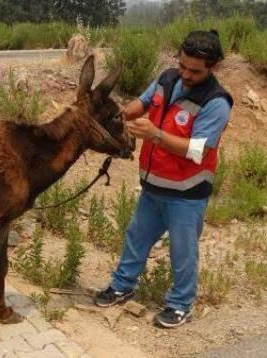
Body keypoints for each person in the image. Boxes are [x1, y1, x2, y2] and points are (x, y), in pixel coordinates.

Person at [95, 30, 234, 328]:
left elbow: (198, 150)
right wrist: (118, 116)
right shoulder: (167, 78)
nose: (185, 74)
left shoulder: (216, 102)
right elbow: (142, 104)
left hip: (187, 194)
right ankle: (122, 285)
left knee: (183, 252)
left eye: (194, 71)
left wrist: (155, 135)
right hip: (153, 186)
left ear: (214, 67)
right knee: (136, 238)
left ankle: (181, 305)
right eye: (182, 65)